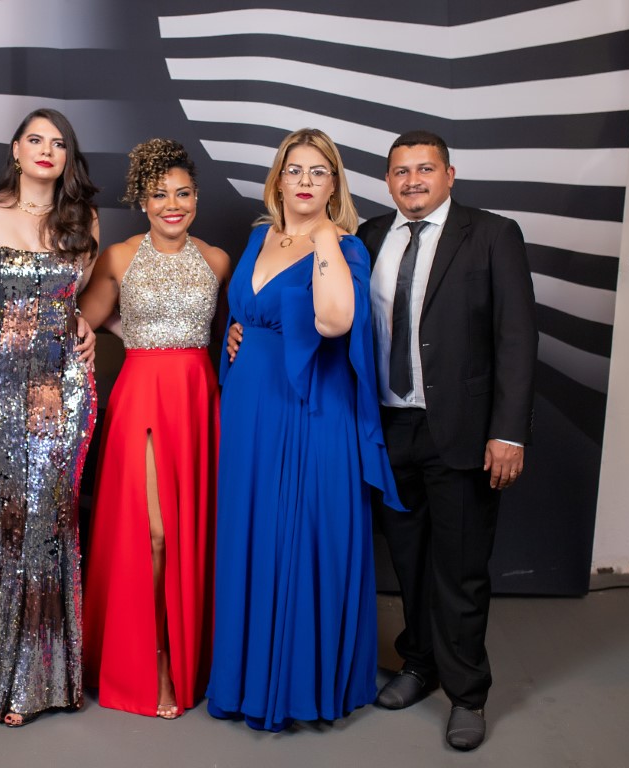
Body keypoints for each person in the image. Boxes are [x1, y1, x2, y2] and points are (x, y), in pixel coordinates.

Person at [205, 128, 402, 732]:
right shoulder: (258, 236)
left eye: (320, 171)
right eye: (295, 170)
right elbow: (245, 307)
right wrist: (237, 331)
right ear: (278, 179)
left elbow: (335, 320)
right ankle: (245, 678)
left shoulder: (346, 246)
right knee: (251, 533)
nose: (306, 181)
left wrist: (323, 237)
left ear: (334, 184)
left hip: (311, 405)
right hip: (250, 406)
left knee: (302, 533)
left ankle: (297, 687)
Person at [357, 130, 537, 751]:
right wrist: (247, 330)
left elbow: (517, 338)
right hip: (389, 428)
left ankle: (467, 694)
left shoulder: (491, 234)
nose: (413, 180)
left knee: (459, 570)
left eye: (425, 169)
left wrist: (508, 432)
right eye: (401, 171)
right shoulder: (369, 237)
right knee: (408, 562)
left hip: (461, 430)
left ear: (449, 175)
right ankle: (419, 664)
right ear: (388, 180)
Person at [0, 108, 99, 728]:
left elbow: (77, 303)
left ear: (67, 157)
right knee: (4, 525)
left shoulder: (84, 220)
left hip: (59, 395)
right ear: (15, 150)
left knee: (49, 525)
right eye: (35, 139)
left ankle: (42, 681)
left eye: (58, 142)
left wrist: (86, 321)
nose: (46, 149)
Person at [79, 139, 230, 719]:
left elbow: (242, 320)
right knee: (153, 534)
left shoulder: (217, 259)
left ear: (197, 198)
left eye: (183, 193)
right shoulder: (119, 256)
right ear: (143, 201)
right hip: (141, 396)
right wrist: (128, 330)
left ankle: (189, 654)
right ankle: (153, 660)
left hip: (196, 399)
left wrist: (238, 334)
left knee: (192, 533)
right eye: (160, 194)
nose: (173, 205)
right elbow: (83, 321)